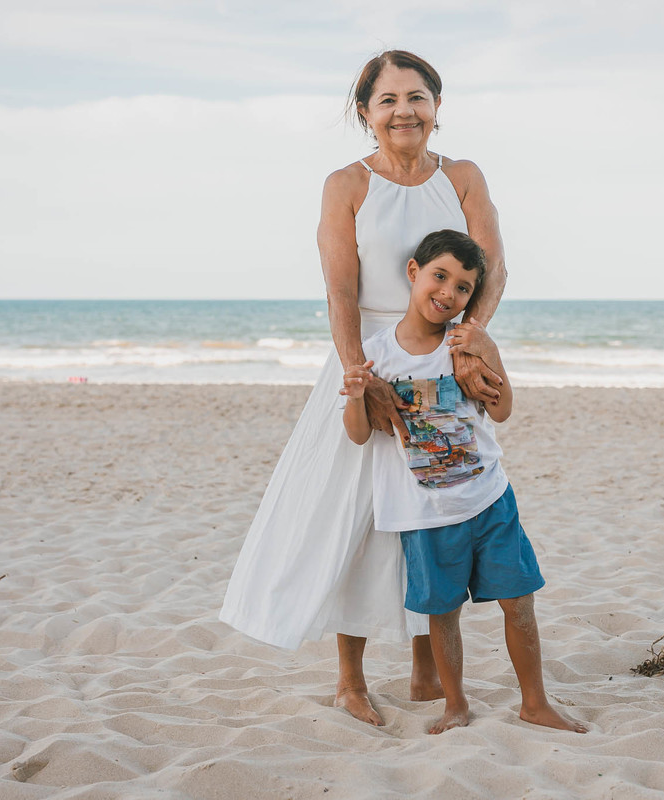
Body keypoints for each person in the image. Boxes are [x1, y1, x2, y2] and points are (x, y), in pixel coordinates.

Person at [219, 50, 507, 727]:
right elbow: (341, 289)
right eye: (388, 100)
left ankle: (425, 670)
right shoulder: (347, 183)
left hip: (440, 359)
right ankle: (350, 680)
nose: (404, 111)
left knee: (433, 508)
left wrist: (467, 343)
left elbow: (492, 269)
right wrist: (360, 377)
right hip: (368, 357)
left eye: (417, 97)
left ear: (437, 106)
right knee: (356, 519)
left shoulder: (463, 177)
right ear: (365, 112)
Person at [341, 229, 587, 735]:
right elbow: (360, 435)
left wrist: (490, 349)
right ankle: (455, 705)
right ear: (414, 272)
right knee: (444, 615)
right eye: (440, 276)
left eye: (463, 287)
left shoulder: (464, 345)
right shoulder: (374, 353)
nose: (448, 292)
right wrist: (357, 393)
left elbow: (503, 409)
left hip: (490, 499)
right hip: (424, 515)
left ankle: (535, 703)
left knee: (519, 603)